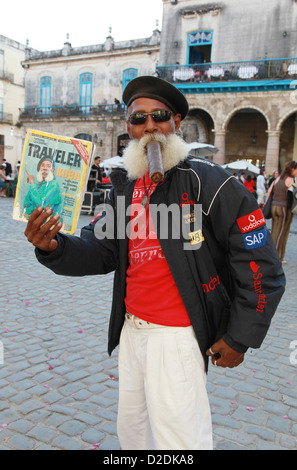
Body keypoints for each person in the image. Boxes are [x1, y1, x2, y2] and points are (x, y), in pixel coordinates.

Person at [24, 75, 285, 451]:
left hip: (176, 339)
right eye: (137, 118)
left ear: (176, 121)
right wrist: (52, 246)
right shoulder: (127, 188)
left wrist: (240, 336)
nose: (149, 125)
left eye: (158, 115)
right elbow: (100, 250)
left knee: (182, 443)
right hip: (132, 333)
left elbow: (262, 265)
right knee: (134, 437)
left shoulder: (210, 182)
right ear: (129, 128)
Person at [268, 160, 297, 264]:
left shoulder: (278, 179)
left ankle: (269, 254)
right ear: (292, 169)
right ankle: (278, 257)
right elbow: (292, 196)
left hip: (273, 206)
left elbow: (269, 192)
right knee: (281, 233)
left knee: (274, 232)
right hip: (283, 208)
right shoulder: (290, 180)